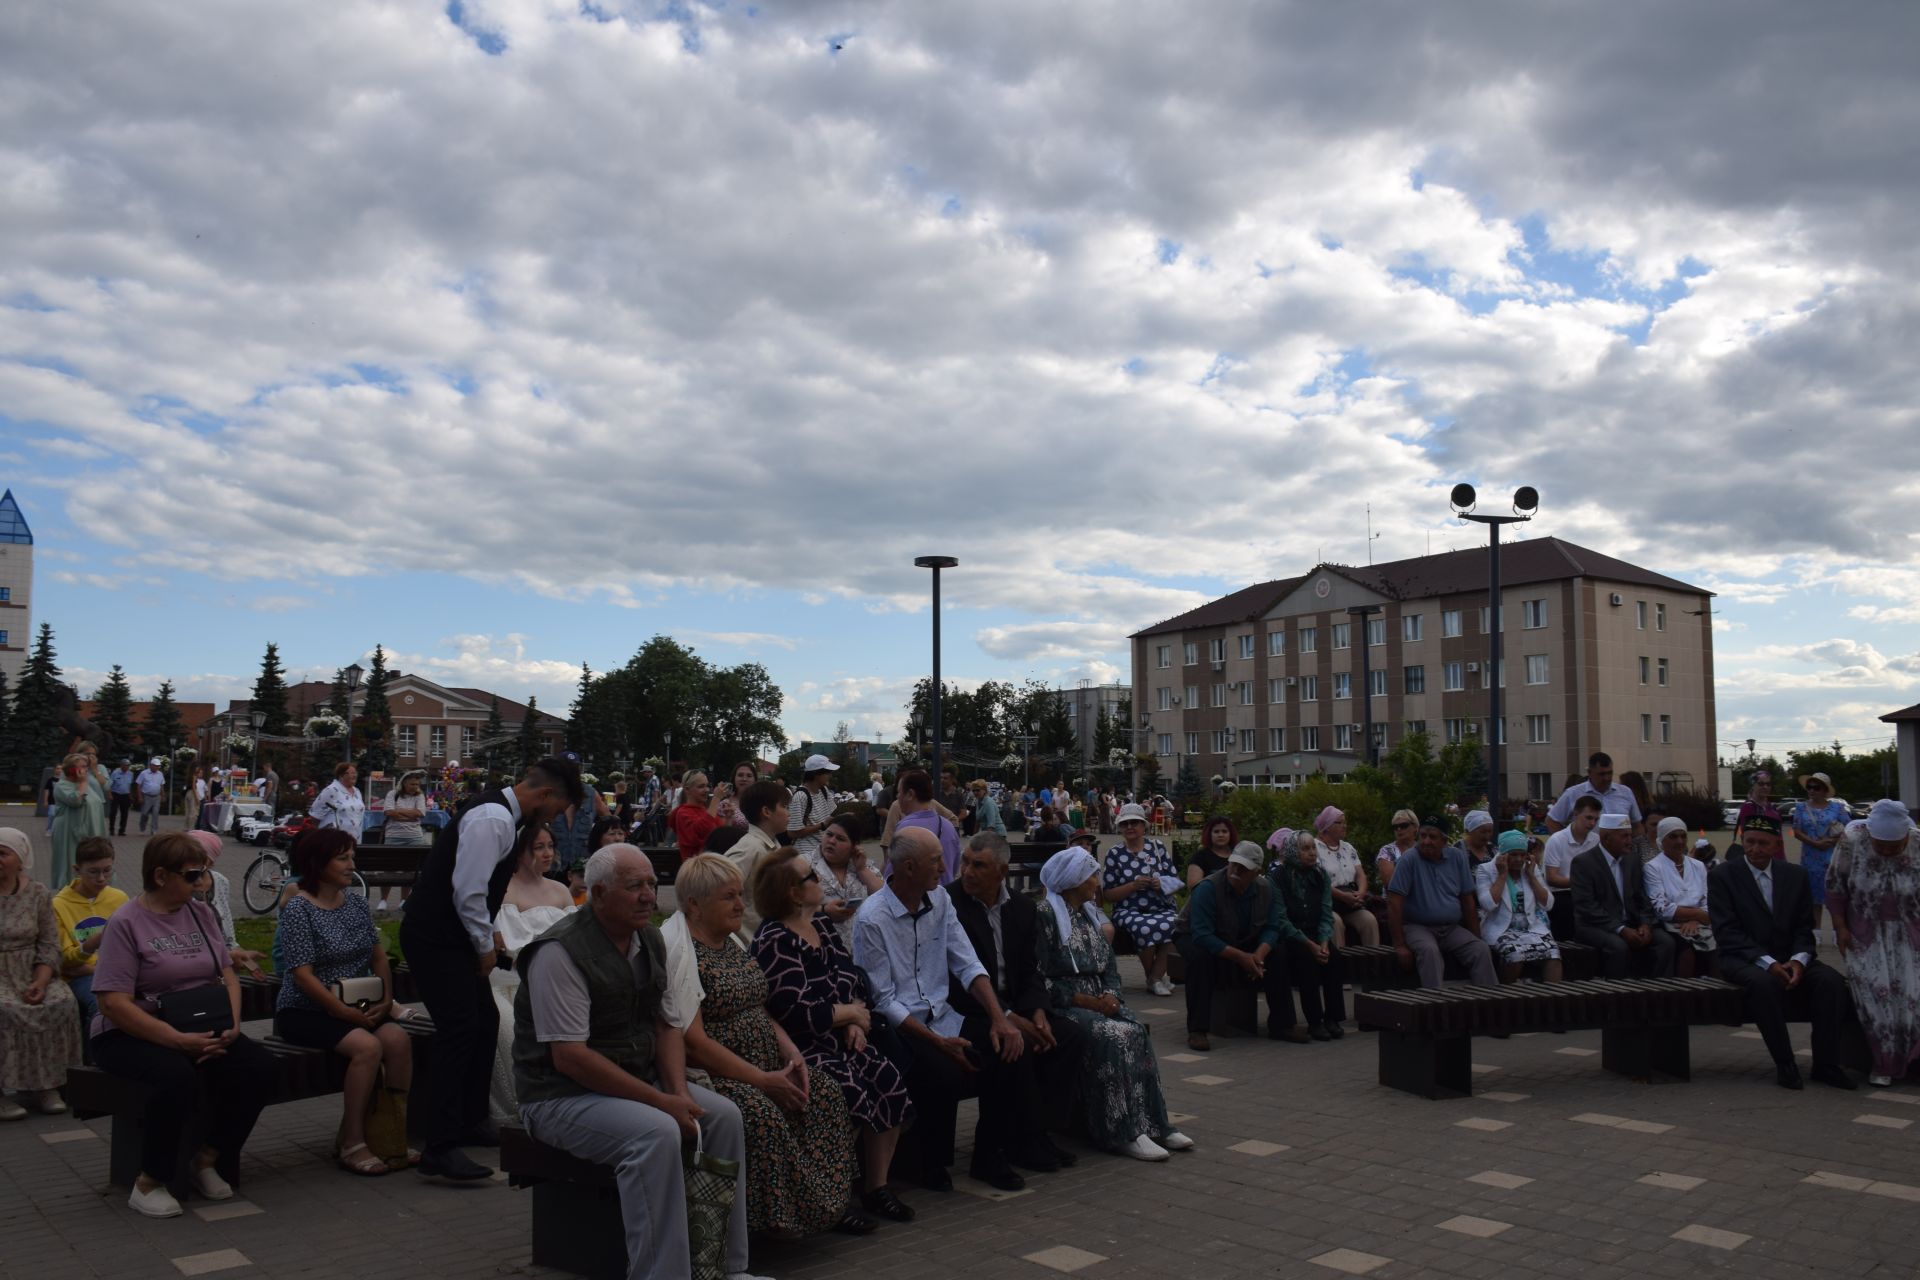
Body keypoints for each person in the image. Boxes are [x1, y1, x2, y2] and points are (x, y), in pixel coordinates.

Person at [513, 845, 771, 1280]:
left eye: (652, 884)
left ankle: (724, 1268)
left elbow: (668, 1025)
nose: (650, 896)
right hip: (557, 1095)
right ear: (598, 893)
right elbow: (570, 1058)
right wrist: (661, 1102)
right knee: (655, 1134)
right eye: (635, 886)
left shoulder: (650, 939)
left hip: (631, 1082)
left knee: (724, 1116)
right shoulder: (559, 953)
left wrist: (679, 1092)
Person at [400, 754, 583, 1182]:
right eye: (555, 810)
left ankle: (469, 1120)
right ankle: (440, 1146)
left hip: (453, 935)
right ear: (543, 794)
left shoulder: (504, 817)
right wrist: (484, 945)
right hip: (435, 937)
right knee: (459, 1030)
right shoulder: (494, 819)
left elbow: (478, 894)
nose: (552, 820)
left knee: (483, 1022)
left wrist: (490, 937)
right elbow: (468, 891)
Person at [670, 854, 860, 1237]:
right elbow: (693, 1043)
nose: (742, 905)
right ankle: (772, 1222)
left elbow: (759, 1007)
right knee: (761, 1115)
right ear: (695, 905)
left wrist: (790, 1051)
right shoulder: (683, 955)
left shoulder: (732, 942)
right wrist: (761, 1079)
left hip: (767, 1064)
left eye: (740, 895)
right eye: (729, 898)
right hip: (721, 1075)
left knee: (822, 1092)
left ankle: (824, 1210)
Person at [89, 833, 276, 1217]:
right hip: (132, 1032)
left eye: (204, 874)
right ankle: (149, 1181)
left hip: (200, 1023)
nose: (202, 883)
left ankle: (207, 1158)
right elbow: (112, 1003)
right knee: (176, 1076)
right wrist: (175, 1040)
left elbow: (226, 972)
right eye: (193, 875)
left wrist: (234, 1025)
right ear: (161, 876)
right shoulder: (125, 923)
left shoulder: (199, 912)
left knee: (260, 1067)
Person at [850, 827, 1028, 1192]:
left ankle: (989, 1156)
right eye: (937, 861)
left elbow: (967, 963)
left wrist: (1000, 1019)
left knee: (1008, 1049)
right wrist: (936, 1041)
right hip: (900, 1029)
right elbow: (883, 1000)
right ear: (909, 868)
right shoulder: (872, 918)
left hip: (944, 1016)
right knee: (944, 1070)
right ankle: (928, 1162)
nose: (946, 868)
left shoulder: (940, 902)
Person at [752, 847, 916, 1224]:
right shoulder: (775, 940)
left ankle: (876, 1188)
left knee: (887, 1078)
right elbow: (797, 1009)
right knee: (848, 1091)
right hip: (804, 1046)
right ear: (793, 892)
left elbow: (852, 977)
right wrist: (851, 1015)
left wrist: (857, 1019)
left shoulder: (821, 925)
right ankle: (832, 1199)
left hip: (841, 1035)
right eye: (811, 876)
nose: (818, 880)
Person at [1034, 846, 1194, 1161]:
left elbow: (1109, 967)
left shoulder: (1089, 915)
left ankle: (1154, 1123)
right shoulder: (1046, 915)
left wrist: (1110, 995)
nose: (1097, 882)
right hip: (1065, 1004)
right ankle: (1121, 1131)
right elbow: (1038, 975)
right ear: (1074, 880)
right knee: (1114, 1036)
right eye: (1092, 875)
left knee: (1135, 1030)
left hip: (1097, 1001)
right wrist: (1081, 999)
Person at [274, 828, 415, 1175]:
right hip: (306, 1010)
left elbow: (378, 956)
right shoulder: (299, 909)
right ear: (316, 863)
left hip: (358, 1003)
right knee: (367, 1048)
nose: (352, 864)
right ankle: (352, 1141)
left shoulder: (353, 902)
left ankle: (389, 1135)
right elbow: (302, 975)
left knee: (397, 1039)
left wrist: (384, 996)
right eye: (343, 858)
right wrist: (341, 1012)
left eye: (352, 856)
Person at [949, 833, 1083, 1174]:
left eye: (978, 865)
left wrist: (1038, 1012)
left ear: (1002, 871)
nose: (967, 871)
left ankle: (1035, 1134)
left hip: (1014, 1004)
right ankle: (990, 1152)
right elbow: (954, 979)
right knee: (1011, 1044)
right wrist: (1007, 1016)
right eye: (965, 862)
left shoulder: (1022, 908)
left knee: (1066, 1036)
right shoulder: (950, 904)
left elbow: (1029, 970)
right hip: (968, 1009)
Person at [1708, 815, 1855, 1091]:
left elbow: (1803, 926)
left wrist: (1799, 960)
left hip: (1790, 956)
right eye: (1749, 842)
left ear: (1777, 844)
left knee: (1831, 983)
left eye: (1763, 843)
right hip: (1743, 958)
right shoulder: (1723, 876)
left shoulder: (1794, 875)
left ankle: (1827, 1064)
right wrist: (1769, 963)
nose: (1755, 849)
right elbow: (1727, 932)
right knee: (1764, 985)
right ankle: (1785, 1063)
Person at [488, 824, 576, 1128]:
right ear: (520, 852)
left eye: (550, 845)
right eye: (539, 847)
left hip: (551, 989)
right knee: (509, 1032)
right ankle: (518, 1113)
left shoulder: (561, 891)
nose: (548, 853)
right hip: (504, 985)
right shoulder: (500, 889)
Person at [1827, 800, 1920, 1087]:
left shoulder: (1918, 842)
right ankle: (1883, 1063)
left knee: (1912, 997)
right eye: (1882, 846)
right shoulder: (1853, 839)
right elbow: (1834, 887)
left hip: (1910, 933)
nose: (1888, 852)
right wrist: (1841, 928)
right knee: (1875, 999)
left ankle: (1913, 1062)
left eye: (1895, 846)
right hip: (1865, 933)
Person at [1174, 839, 1295, 1052]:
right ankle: (1197, 1030)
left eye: (1244, 867)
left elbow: (1273, 927)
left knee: (1279, 953)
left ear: (1256, 872)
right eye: (1234, 864)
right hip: (1193, 935)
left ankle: (1282, 1024)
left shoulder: (1265, 888)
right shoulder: (1208, 888)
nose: (1236, 870)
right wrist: (1242, 958)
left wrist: (1258, 954)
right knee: (1200, 958)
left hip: (1239, 936)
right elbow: (1202, 934)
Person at [0, 828, 82, 1121]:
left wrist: (41, 980)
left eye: (3, 853)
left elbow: (48, 944)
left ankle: (46, 1085)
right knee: (6, 1009)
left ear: (20, 859)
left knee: (61, 1001)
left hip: (31, 969)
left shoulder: (37, 893)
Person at [1387, 816, 1499, 989]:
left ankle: (1488, 1004)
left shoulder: (1457, 857)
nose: (1426, 841)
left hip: (1451, 928)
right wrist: (1400, 945)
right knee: (1430, 952)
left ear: (1445, 841)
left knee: (1480, 949)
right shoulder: (1409, 859)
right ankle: (1435, 1006)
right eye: (1423, 836)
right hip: (1417, 927)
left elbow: (1467, 901)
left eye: (1432, 837)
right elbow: (1394, 903)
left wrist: (1476, 936)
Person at [1571, 814, 1676, 978]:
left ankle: (1656, 993)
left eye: (1630, 835)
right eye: (1624, 836)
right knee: (1619, 947)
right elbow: (1587, 907)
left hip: (1631, 923)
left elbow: (1642, 898)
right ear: (1607, 838)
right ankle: (1617, 996)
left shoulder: (1631, 860)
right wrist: (1620, 929)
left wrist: (1646, 924)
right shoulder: (1583, 863)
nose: (1630, 840)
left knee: (1666, 943)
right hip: (1595, 926)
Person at [1270, 831, 1350, 1039]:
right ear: (1292, 852)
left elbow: (1326, 911)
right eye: (1305, 849)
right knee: (1307, 961)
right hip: (1292, 935)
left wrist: (1323, 942)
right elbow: (1281, 919)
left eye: (1313, 848)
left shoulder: (1320, 875)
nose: (1312, 853)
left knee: (1334, 958)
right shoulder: (1279, 877)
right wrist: (1310, 945)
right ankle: (1315, 1021)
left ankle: (1332, 1018)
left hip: (1316, 932)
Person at [1102, 803, 1180, 996]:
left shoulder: (1157, 847)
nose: (1130, 827)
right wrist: (1132, 886)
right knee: (1144, 927)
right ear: (1119, 827)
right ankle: (1155, 979)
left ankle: (1154, 978)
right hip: (1128, 910)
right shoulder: (1114, 853)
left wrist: (1159, 884)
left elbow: (1175, 880)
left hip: (1160, 907)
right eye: (1125, 823)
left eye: (1135, 823)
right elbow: (1108, 895)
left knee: (1178, 925)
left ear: (1144, 826)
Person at [53, 836, 128, 1021]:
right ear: (77, 870)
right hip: (82, 980)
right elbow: (65, 960)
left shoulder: (119, 898)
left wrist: (90, 968)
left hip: (117, 972)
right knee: (102, 1006)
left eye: (107, 870)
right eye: (93, 872)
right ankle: (93, 1049)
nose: (101, 879)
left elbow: (132, 945)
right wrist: (91, 944)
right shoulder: (58, 905)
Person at [1475, 830, 1562, 982]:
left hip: (1531, 928)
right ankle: (1507, 998)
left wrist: (1531, 876)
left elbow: (1548, 904)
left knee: (1553, 955)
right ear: (1503, 854)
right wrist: (1502, 875)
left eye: (1522, 854)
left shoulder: (1530, 869)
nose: (1519, 859)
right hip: (1502, 929)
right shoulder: (1486, 870)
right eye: (1513, 854)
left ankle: (1553, 999)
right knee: (1515, 956)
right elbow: (1488, 904)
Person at [182, 830, 266, 979]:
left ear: (211, 860)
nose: (192, 861)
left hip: (223, 966)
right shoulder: (179, 884)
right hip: (191, 966)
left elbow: (227, 929)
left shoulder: (220, 881)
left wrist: (246, 960)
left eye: (200, 856)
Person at [1644, 816, 1717, 977]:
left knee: (1719, 950)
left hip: (1701, 922)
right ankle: (1684, 996)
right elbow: (1661, 908)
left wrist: (1695, 919)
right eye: (1673, 836)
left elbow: (1707, 900)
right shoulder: (1652, 867)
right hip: (1670, 925)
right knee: (1687, 953)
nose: (1679, 841)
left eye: (1683, 836)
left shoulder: (1698, 866)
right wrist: (1697, 914)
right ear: (1662, 840)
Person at [719, 780, 792, 941]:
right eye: (785, 807)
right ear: (767, 811)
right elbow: (716, 886)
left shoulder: (773, 846)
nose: (789, 813)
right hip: (749, 941)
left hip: (769, 937)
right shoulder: (749, 848)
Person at [1306, 807, 1378, 948]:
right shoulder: (1313, 848)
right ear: (1326, 826)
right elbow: (1319, 881)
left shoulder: (1348, 848)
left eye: (1345, 822)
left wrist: (1361, 893)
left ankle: (1372, 965)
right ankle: (1340, 965)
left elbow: (1361, 874)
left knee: (1369, 920)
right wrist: (1343, 896)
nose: (1344, 826)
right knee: (1335, 922)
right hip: (1326, 902)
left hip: (1350, 902)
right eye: (1339, 823)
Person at [1792, 772, 1851, 936]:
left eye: (1816, 787)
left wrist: (1831, 841)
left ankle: (1836, 932)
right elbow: (1796, 831)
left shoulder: (1837, 808)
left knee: (1834, 896)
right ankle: (1815, 933)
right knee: (1813, 898)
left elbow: (1849, 828)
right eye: (1809, 787)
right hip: (1810, 858)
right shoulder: (1801, 808)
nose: (1811, 790)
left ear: (1825, 790)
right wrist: (1814, 843)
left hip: (1832, 857)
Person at [810, 813, 882, 942]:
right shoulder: (803, 865)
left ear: (854, 846)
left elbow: (884, 897)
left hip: (864, 949)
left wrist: (862, 870)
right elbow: (787, 906)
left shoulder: (862, 865)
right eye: (829, 834)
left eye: (840, 839)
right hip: (822, 949)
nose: (832, 841)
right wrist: (823, 910)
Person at [885, 770, 963, 884]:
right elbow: (954, 867)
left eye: (899, 792)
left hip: (917, 898)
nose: (897, 796)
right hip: (945, 896)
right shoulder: (948, 826)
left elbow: (892, 873)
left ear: (910, 794)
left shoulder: (906, 828)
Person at [1541, 794, 1603, 939]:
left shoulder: (1596, 840)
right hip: (1562, 894)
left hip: (1587, 893)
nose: (1593, 823)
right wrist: (1582, 883)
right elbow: (1551, 878)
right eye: (1588, 818)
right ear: (1575, 814)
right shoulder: (1557, 840)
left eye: (1596, 819)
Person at [375, 770, 434, 914]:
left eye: (417, 784)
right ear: (404, 783)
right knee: (389, 869)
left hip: (414, 836)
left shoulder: (419, 795)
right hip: (394, 835)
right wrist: (409, 814)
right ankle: (383, 900)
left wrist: (399, 812)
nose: (415, 786)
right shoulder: (392, 794)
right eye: (412, 784)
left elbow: (420, 813)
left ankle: (404, 900)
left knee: (409, 869)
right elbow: (389, 812)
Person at [50, 753, 109, 893]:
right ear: (71, 769)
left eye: (86, 767)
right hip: (68, 832)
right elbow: (75, 801)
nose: (85, 770)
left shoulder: (86, 785)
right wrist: (83, 783)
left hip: (87, 832)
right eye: (82, 767)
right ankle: (69, 890)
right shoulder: (62, 786)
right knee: (70, 860)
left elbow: (98, 801)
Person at [1546, 751, 1643, 833]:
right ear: (1589, 772)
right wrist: (1568, 844)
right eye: (1601, 774)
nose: (1606, 778)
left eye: (1610, 773)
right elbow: (1552, 821)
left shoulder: (1625, 792)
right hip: (1585, 852)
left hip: (1619, 853)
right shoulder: (1573, 793)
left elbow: (1637, 825)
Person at [787, 755, 840, 860]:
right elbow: (792, 833)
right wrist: (822, 825)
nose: (830, 775)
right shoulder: (801, 796)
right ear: (816, 774)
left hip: (823, 851)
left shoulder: (824, 791)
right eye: (828, 772)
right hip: (806, 855)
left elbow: (833, 816)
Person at [670, 770, 727, 865]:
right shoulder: (683, 813)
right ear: (687, 790)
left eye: (707, 785)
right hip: (697, 871)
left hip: (712, 866)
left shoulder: (705, 811)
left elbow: (721, 834)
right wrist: (716, 799)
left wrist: (729, 817)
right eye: (701, 786)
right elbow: (702, 831)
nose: (707, 790)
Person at [311, 762, 366, 839]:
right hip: (334, 840)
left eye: (355, 773)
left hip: (355, 839)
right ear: (341, 775)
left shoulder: (357, 791)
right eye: (351, 773)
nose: (354, 776)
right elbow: (315, 816)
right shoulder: (331, 790)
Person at [1185, 815, 1237, 889]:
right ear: (1209, 834)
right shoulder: (1200, 856)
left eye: (1224, 831)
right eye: (1216, 832)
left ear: (1230, 834)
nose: (1220, 835)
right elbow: (1193, 885)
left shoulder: (1237, 856)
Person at [1376, 809, 1418, 887]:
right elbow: (1390, 883)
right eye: (1395, 827)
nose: (1399, 829)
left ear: (1415, 827)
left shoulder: (1423, 849)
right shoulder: (1387, 851)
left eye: (1404, 826)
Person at [134, 757, 167, 837]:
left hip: (156, 797)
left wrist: (163, 795)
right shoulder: (144, 773)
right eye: (155, 766)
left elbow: (161, 785)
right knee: (144, 813)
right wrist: (140, 797)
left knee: (155, 814)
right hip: (146, 796)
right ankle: (142, 828)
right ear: (151, 765)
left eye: (158, 766)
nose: (157, 767)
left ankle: (154, 830)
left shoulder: (160, 774)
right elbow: (138, 785)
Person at [108, 759, 135, 837]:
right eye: (126, 765)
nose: (127, 767)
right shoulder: (115, 773)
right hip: (115, 794)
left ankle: (122, 830)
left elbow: (129, 786)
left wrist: (130, 796)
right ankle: (111, 829)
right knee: (113, 812)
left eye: (128, 765)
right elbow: (109, 784)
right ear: (121, 765)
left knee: (125, 813)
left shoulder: (130, 774)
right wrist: (109, 794)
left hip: (125, 795)